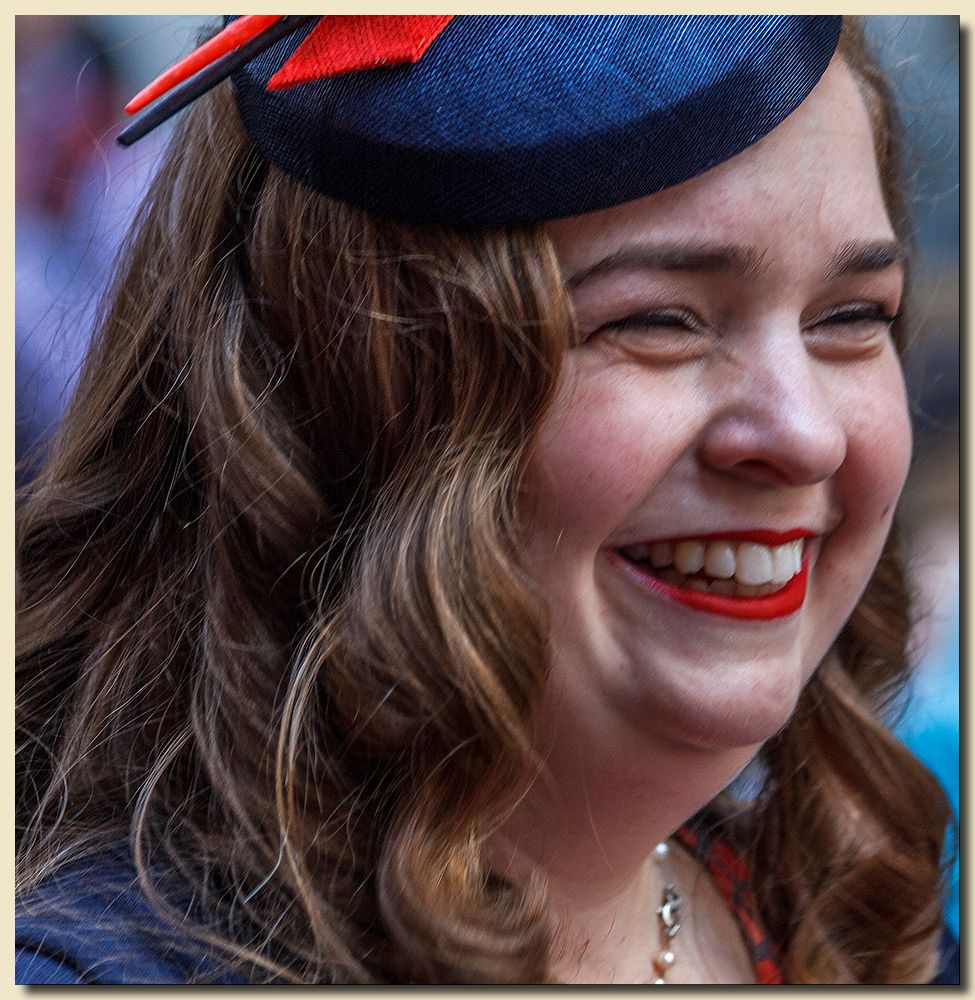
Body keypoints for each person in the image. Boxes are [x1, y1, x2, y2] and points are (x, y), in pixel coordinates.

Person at [15, 15, 957, 984]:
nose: (806, 435)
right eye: (657, 319)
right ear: (361, 387)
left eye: (849, 317)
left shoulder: (856, 924)